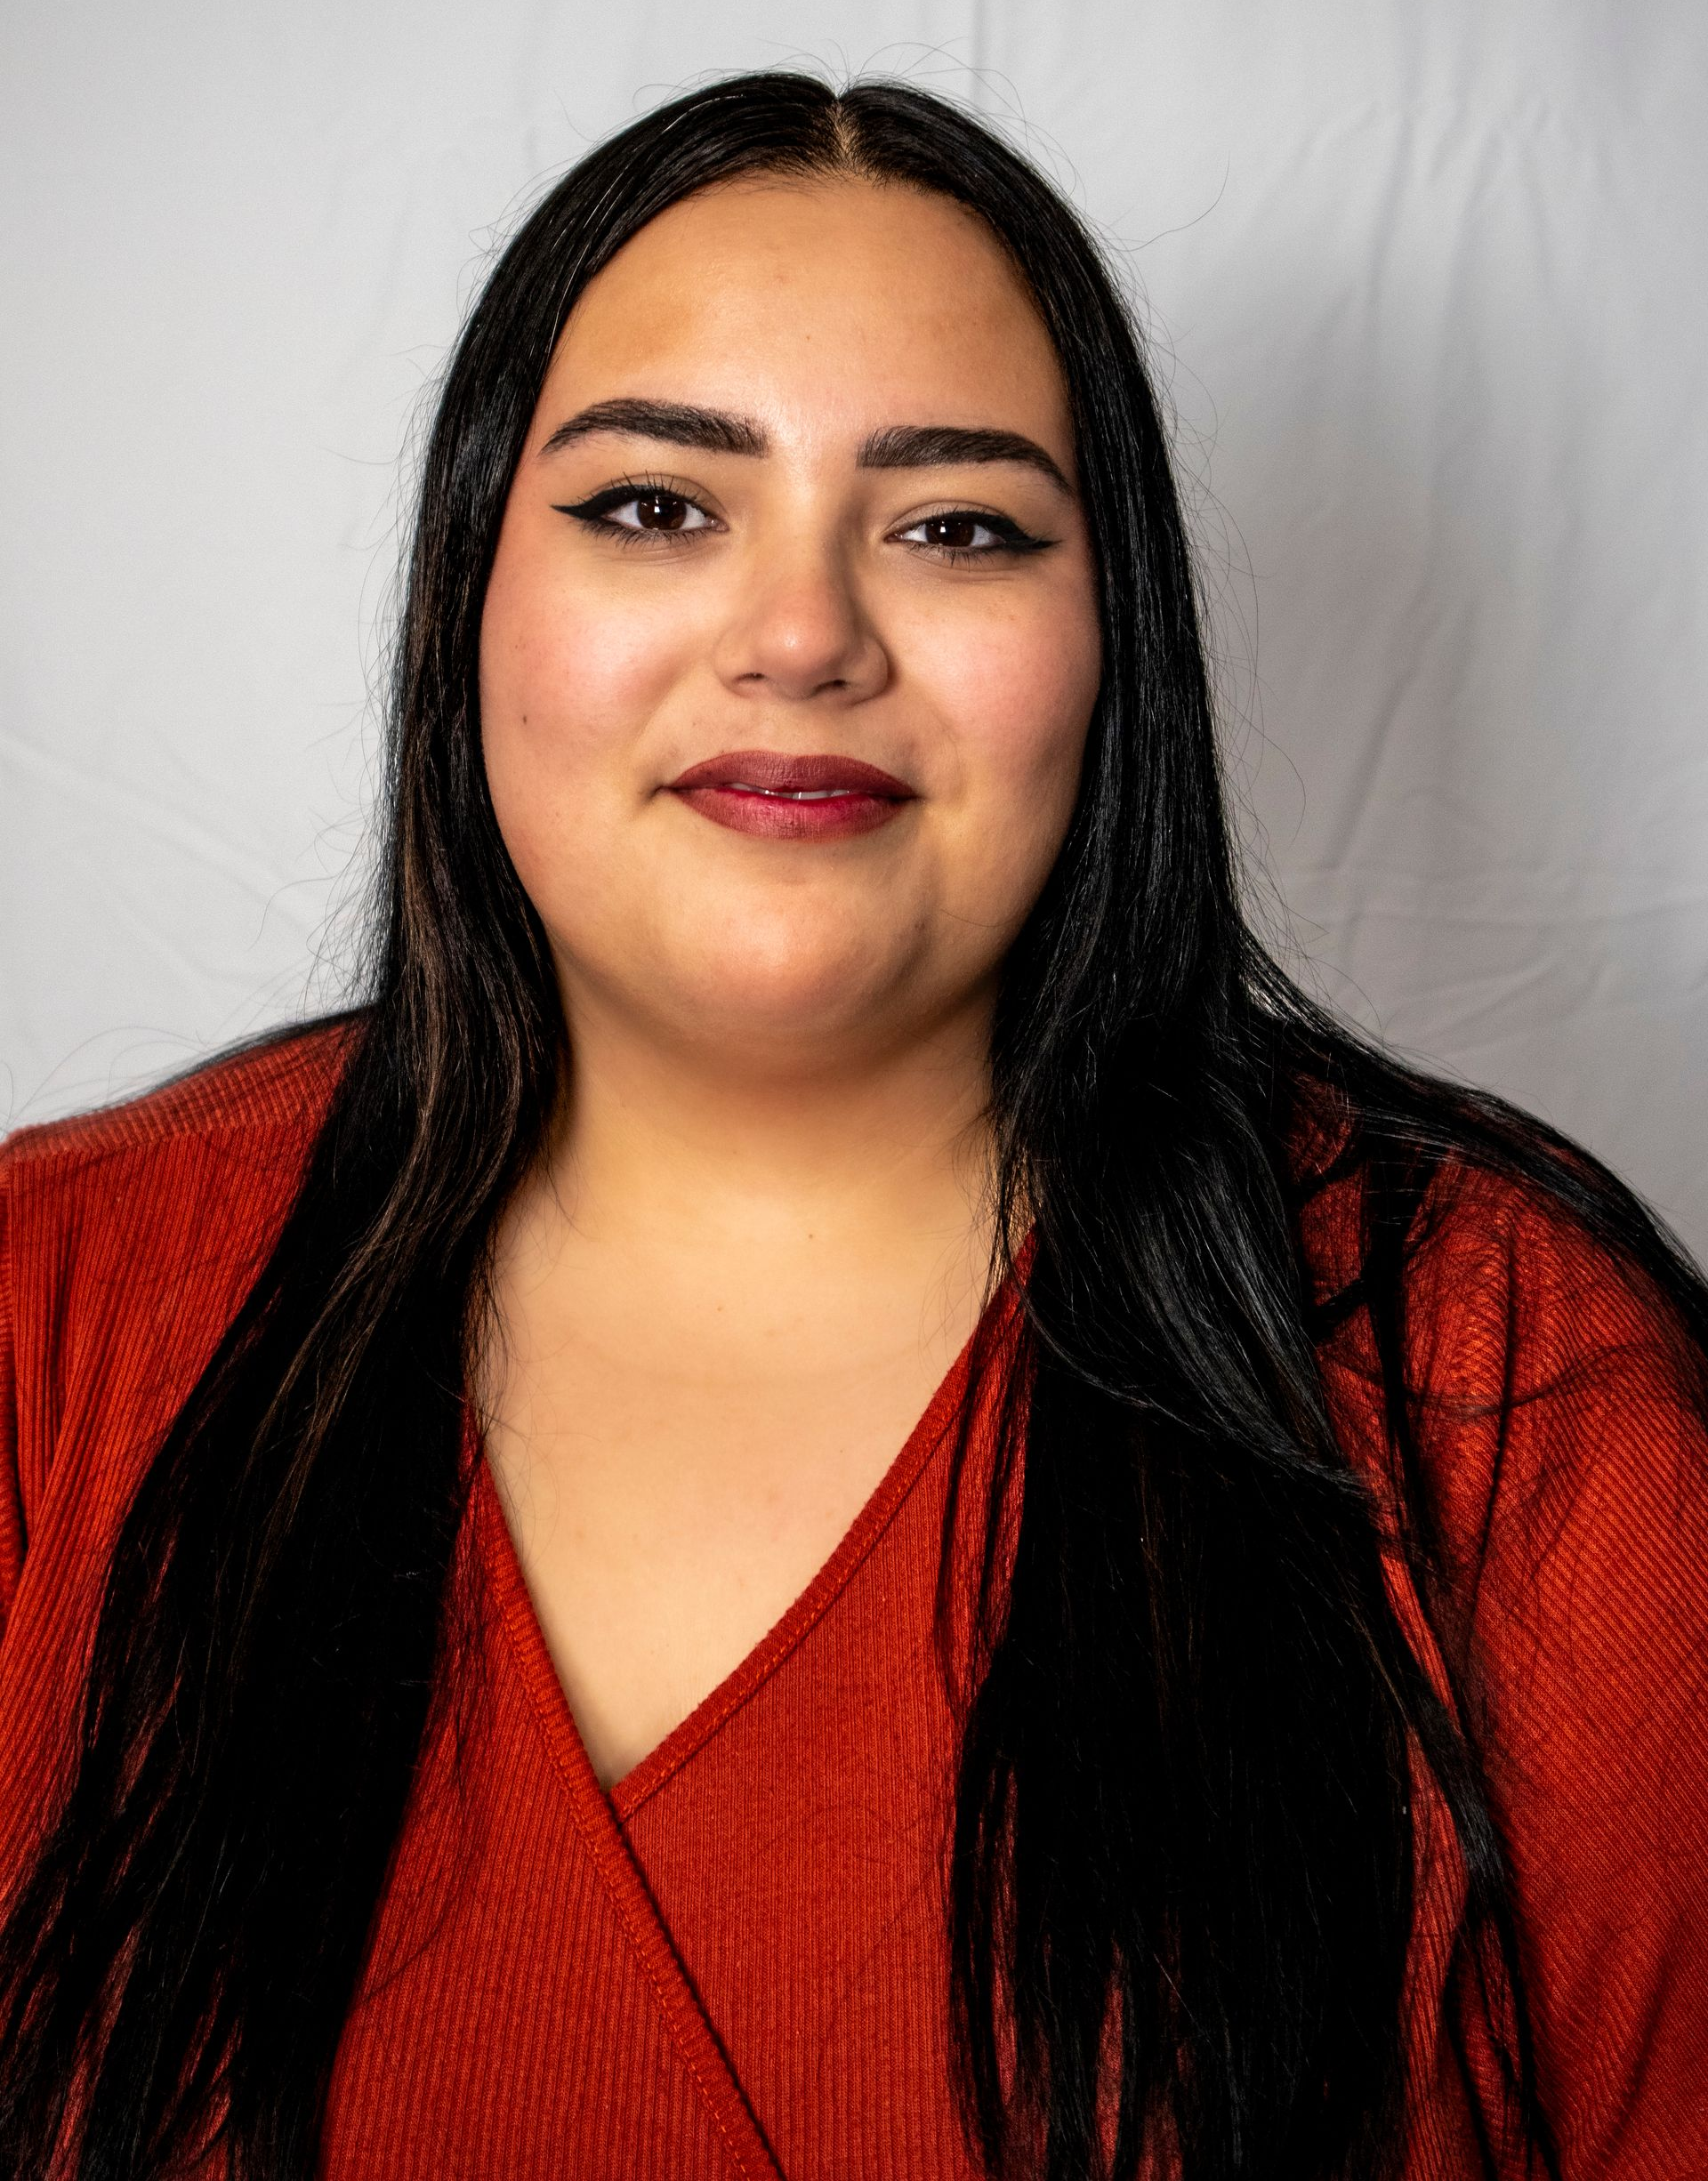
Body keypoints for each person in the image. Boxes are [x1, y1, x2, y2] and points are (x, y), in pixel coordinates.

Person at [0, 68, 1703, 2181]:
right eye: (655, 505)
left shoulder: (1517, 1392)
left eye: (959, 524)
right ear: (468, 597)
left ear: (1117, 646)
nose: (803, 634)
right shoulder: (47, 1314)